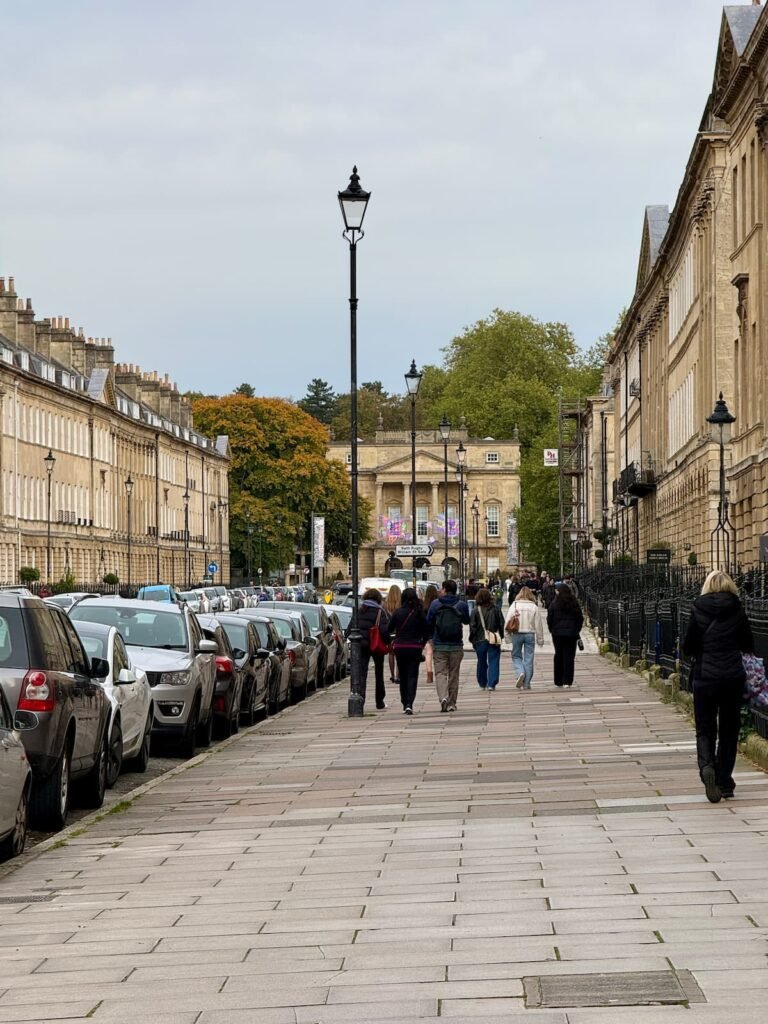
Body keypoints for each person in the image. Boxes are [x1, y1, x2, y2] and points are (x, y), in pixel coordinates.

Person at [683, 570, 754, 803]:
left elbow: (688, 645)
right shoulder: (738, 609)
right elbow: (748, 644)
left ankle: (707, 768)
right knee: (729, 730)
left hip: (705, 677)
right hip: (732, 677)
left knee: (705, 729)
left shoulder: (698, 608)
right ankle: (724, 782)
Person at [427, 579, 470, 712]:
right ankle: (452, 703)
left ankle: (443, 697)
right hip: (456, 645)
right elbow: (467, 621)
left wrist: (429, 638)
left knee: (440, 673)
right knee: (454, 674)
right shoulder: (461, 605)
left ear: (444, 589)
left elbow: (428, 622)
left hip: (439, 644)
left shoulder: (435, 604)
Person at [388, 587, 430, 714]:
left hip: (400, 647)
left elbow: (389, 629)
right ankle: (409, 703)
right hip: (415, 647)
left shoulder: (398, 612)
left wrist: (391, 640)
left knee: (403, 675)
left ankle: (404, 700)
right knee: (412, 676)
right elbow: (426, 631)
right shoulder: (419, 612)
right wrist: (421, 644)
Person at [357, 589, 391, 710]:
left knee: (361, 673)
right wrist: (388, 642)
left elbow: (352, 627)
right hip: (376, 645)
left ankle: (360, 699)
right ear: (378, 599)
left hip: (362, 645)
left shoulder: (359, 611)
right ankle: (379, 701)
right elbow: (384, 630)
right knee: (379, 673)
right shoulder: (380, 612)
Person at [505, 585, 544, 689]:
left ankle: (520, 671)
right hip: (529, 634)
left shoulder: (515, 605)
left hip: (517, 633)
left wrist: (507, 637)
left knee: (516, 656)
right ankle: (527, 683)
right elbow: (538, 624)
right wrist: (540, 639)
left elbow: (508, 621)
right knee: (529, 658)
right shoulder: (533, 606)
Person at [546, 583, 584, 688]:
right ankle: (567, 680)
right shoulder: (574, 603)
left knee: (558, 655)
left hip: (557, 633)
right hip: (571, 634)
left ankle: (558, 680)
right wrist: (577, 629)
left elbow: (550, 618)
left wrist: (551, 630)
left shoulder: (554, 603)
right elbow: (580, 618)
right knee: (569, 657)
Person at [469, 587, 506, 690]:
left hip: (480, 639)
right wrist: (501, 635)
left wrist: (472, 639)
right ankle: (491, 683)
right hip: (493, 638)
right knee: (493, 660)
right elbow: (501, 623)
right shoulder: (496, 609)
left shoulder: (475, 610)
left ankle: (482, 682)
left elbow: (472, 626)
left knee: (481, 661)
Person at [422, 583, 439, 684]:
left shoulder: (424, 607)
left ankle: (429, 676)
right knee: (437, 655)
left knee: (428, 654)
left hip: (427, 633)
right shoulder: (437, 606)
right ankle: (438, 673)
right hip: (437, 633)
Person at [385, 585, 403, 685]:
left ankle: (392, 675)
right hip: (399, 633)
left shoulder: (386, 605)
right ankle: (398, 675)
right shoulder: (401, 605)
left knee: (391, 654)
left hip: (389, 633)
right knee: (399, 655)